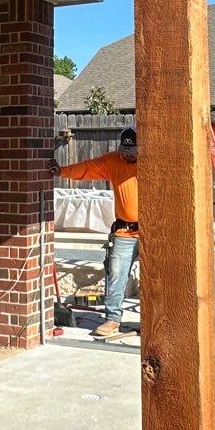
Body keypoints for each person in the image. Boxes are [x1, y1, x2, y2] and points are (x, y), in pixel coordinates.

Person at [58, 126, 139, 339]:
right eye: (125, 149)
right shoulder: (114, 161)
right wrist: (61, 171)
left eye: (133, 150)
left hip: (155, 232)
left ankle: (157, 319)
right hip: (125, 230)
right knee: (116, 274)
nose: (128, 154)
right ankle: (112, 319)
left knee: (158, 279)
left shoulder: (156, 162)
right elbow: (87, 168)